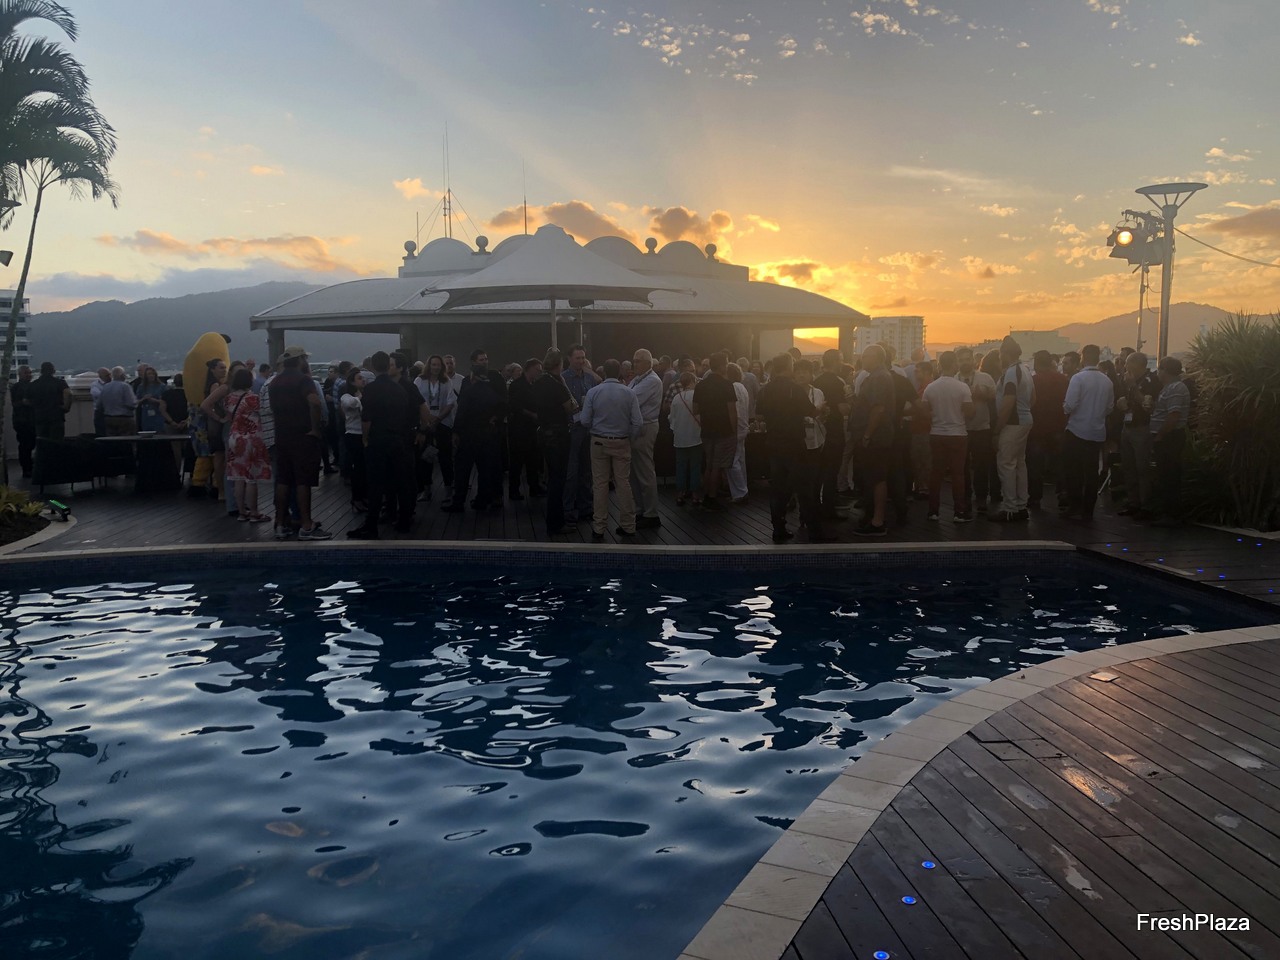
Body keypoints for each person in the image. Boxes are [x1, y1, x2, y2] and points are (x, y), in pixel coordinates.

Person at [757, 353, 827, 542]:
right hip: (795, 445)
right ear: (788, 366)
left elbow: (760, 416)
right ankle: (815, 532)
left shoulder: (765, 390)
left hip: (773, 444)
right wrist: (822, 408)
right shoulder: (794, 389)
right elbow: (811, 412)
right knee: (804, 489)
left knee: (778, 489)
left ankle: (778, 529)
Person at [267, 346, 332, 540]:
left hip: (282, 436)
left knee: (283, 480)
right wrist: (315, 428)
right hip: (302, 436)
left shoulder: (275, 382)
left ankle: (280, 524)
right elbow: (315, 402)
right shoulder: (304, 380)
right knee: (303, 480)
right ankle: (306, 525)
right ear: (300, 359)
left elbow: (272, 408)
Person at [349, 352, 415, 538]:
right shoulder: (400, 389)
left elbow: (367, 418)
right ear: (388, 365)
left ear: (373, 367)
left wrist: (365, 439)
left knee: (376, 483)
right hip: (398, 439)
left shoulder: (371, 389)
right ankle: (404, 520)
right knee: (401, 481)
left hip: (378, 440)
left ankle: (371, 525)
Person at [577, 358, 642, 539]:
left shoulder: (593, 392)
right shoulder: (629, 393)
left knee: (599, 485)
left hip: (599, 441)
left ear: (604, 372)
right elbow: (638, 423)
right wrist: (629, 438)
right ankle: (628, 525)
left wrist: (595, 427)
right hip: (621, 441)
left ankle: (599, 527)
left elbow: (584, 420)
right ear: (619, 372)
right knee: (623, 483)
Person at [447, 348, 506, 512]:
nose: (485, 361)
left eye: (486, 359)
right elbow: (504, 403)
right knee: (486, 469)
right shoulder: (491, 392)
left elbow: (461, 411)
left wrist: (456, 431)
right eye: (482, 359)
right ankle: (483, 499)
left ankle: (459, 501)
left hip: (468, 434)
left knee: (462, 469)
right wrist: (495, 418)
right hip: (487, 433)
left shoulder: (468, 389)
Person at [1060, 344, 1114, 521]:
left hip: (1076, 430)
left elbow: (1069, 405)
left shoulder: (1078, 378)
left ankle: (1074, 505)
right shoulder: (1107, 381)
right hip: (1097, 432)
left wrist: (1065, 408)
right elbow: (1109, 407)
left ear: (1083, 357)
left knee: (1073, 470)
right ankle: (1088, 509)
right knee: (1091, 471)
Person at [920, 352, 975, 522]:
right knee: (958, 474)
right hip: (958, 434)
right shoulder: (962, 387)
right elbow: (970, 412)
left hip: (937, 433)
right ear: (954, 365)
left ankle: (933, 511)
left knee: (936, 473)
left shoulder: (931, 388)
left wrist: (935, 419)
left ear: (940, 366)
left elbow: (923, 410)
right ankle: (959, 512)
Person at [849, 345, 894, 536]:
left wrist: (867, 434)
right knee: (871, 477)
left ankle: (877, 521)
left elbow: (878, 409)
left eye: (866, 356)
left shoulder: (879, 378)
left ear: (877, 358)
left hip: (875, 438)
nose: (863, 359)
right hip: (874, 436)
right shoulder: (875, 377)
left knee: (876, 477)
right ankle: (871, 516)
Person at [531, 349, 577, 533]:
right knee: (558, 479)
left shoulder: (538, 382)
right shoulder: (557, 385)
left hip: (544, 433)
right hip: (558, 435)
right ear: (560, 365)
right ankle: (556, 523)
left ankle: (555, 519)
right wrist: (565, 385)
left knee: (552, 477)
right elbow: (571, 407)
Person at [991, 336, 1035, 523]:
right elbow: (1033, 398)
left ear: (1004, 354)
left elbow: (1008, 401)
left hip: (1013, 423)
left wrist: (997, 428)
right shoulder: (1025, 370)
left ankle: (1010, 508)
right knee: (1019, 464)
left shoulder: (1011, 373)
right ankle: (1021, 505)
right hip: (1024, 420)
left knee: (1006, 464)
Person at [691, 352, 738, 511]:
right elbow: (732, 411)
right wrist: (734, 431)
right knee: (717, 466)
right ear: (723, 365)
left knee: (709, 464)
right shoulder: (727, 385)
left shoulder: (700, 385)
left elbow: (695, 409)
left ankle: (705, 495)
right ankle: (711, 497)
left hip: (707, 429)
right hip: (723, 430)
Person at [224, 366, 271, 522]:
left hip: (234, 437)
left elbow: (229, 415)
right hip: (251, 438)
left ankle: (242, 512)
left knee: (238, 476)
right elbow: (264, 413)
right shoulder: (252, 398)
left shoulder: (229, 398)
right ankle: (254, 513)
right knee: (251, 478)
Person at [1116, 351, 1159, 519]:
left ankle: (1146, 505)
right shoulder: (1127, 380)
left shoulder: (1150, 381)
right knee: (1128, 466)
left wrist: (1133, 386)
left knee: (1142, 468)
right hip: (1128, 425)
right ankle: (1133, 501)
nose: (1125, 366)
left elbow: (1148, 405)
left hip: (1142, 428)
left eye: (1127, 362)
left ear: (1136, 364)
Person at [1149, 356, 1191, 527]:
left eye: (1159, 369)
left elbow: (1173, 416)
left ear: (1165, 370)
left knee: (1169, 475)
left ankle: (1172, 514)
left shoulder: (1176, 388)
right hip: (1167, 437)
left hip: (1170, 438)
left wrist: (1160, 435)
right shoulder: (1168, 388)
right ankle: (1167, 512)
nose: (1157, 373)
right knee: (1164, 475)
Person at [1026, 350, 1068, 512]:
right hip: (1059, 426)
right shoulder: (1063, 379)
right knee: (1060, 463)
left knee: (1035, 465)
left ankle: (1035, 497)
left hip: (1037, 428)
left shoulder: (1033, 381)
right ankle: (1063, 493)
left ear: (1036, 363)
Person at [955, 347, 995, 515]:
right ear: (957, 362)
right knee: (962, 466)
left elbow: (995, 397)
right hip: (961, 429)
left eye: (967, 359)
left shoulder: (985, 378)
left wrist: (983, 395)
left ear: (973, 360)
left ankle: (981, 497)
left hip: (981, 428)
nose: (965, 362)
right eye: (961, 360)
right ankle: (965, 496)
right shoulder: (954, 380)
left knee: (981, 465)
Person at [561, 344, 597, 522]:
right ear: (569, 359)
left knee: (586, 470)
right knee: (571, 471)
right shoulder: (563, 379)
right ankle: (567, 508)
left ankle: (586, 507)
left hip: (587, 429)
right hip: (572, 429)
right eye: (578, 358)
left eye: (583, 358)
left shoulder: (589, 378)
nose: (581, 361)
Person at [629, 347, 663, 527]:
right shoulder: (638, 379)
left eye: (638, 361)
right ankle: (641, 510)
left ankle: (650, 513)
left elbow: (630, 399)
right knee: (635, 472)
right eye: (634, 361)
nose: (634, 364)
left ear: (648, 363)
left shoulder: (651, 381)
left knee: (644, 470)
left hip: (645, 428)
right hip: (638, 428)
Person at [812, 349, 848, 518]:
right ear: (834, 362)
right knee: (832, 470)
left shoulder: (816, 381)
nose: (842, 363)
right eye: (841, 360)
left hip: (818, 431)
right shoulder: (838, 383)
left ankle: (814, 505)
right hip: (834, 431)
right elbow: (843, 409)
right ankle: (828, 507)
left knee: (818, 471)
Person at [415, 355, 456, 500]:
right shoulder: (420, 380)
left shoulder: (447, 381)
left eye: (438, 365)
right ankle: (426, 490)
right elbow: (415, 400)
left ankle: (448, 490)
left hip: (443, 423)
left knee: (445, 458)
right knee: (425, 458)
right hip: (425, 423)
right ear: (429, 365)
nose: (436, 367)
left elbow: (450, 402)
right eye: (433, 364)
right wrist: (427, 419)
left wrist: (438, 419)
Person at [507, 358, 545, 501]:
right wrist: (532, 414)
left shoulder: (533, 385)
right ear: (529, 369)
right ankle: (514, 490)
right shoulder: (517, 385)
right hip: (518, 428)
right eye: (537, 370)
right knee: (517, 460)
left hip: (531, 428)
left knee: (532, 459)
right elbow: (514, 406)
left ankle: (534, 487)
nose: (539, 372)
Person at [668, 371, 702, 507]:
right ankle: (695, 495)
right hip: (696, 436)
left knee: (681, 466)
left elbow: (672, 418)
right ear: (693, 381)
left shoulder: (677, 398)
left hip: (680, 438)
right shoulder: (697, 396)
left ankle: (680, 494)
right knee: (695, 466)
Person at [340, 371, 368, 514]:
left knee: (364, 468)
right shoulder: (346, 396)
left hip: (364, 434)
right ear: (352, 382)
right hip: (353, 434)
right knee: (358, 468)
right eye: (359, 378)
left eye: (363, 378)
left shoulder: (364, 395)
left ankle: (363, 496)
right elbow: (350, 404)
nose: (363, 380)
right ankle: (357, 499)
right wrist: (360, 397)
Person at [725, 361, 752, 505]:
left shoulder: (732, 388)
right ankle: (743, 487)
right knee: (741, 459)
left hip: (735, 427)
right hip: (743, 427)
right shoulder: (742, 387)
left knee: (731, 460)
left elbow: (734, 410)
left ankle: (740, 491)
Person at [9, 364, 36, 477]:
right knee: (26, 445)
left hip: (27, 420)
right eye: (26, 373)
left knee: (28, 444)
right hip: (23, 421)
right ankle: (27, 468)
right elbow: (16, 403)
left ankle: (28, 467)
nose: (29, 375)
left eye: (30, 373)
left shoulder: (19, 387)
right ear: (20, 374)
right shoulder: (18, 387)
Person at [100, 366, 139, 436]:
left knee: (111, 440)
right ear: (122, 375)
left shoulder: (105, 387)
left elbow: (100, 404)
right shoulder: (125, 386)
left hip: (109, 418)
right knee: (126, 440)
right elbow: (131, 404)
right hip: (124, 419)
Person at [134, 366, 166, 433]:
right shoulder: (141, 387)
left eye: (153, 374)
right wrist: (144, 398)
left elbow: (165, 402)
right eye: (149, 374)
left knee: (159, 432)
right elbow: (136, 402)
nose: (151, 375)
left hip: (158, 413)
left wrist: (154, 400)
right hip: (146, 414)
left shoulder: (162, 386)